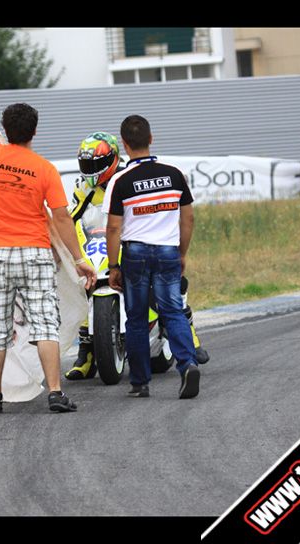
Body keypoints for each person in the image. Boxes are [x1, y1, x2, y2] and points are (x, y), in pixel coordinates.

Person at [0, 52, 96, 415]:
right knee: (45, 324)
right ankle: (54, 392)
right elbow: (62, 218)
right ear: (34, 131)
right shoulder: (44, 169)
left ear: (3, 128)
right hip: (34, 252)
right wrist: (78, 259)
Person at [65, 132, 209, 381]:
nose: (91, 170)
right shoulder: (82, 187)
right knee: (78, 286)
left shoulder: (125, 177)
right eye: (86, 164)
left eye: (96, 164)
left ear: (113, 157)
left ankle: (190, 336)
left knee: (166, 288)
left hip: (133, 240)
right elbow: (74, 216)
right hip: (98, 241)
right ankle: (86, 354)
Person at [104, 114, 201, 399]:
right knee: (172, 311)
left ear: (124, 144)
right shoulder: (174, 174)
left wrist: (113, 266)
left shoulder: (120, 180)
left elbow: (112, 227)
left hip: (134, 253)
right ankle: (187, 365)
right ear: (151, 139)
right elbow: (189, 218)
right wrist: (181, 252)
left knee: (135, 319)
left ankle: (140, 383)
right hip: (168, 251)